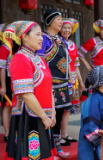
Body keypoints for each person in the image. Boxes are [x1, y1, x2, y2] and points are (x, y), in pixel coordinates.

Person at [3, 21, 57, 160]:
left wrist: (53, 113)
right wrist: (45, 117)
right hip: (28, 117)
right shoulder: (20, 58)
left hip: (44, 116)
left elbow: (49, 88)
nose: (41, 38)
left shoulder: (39, 59)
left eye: (42, 35)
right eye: (38, 35)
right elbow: (26, 94)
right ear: (25, 37)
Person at [37, 9, 72, 158]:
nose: (61, 22)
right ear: (50, 21)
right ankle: (49, 150)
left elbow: (66, 62)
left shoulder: (60, 40)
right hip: (50, 85)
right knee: (49, 117)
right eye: (59, 19)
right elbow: (39, 62)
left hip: (62, 85)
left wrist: (70, 81)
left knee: (57, 119)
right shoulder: (44, 39)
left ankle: (57, 149)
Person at [59, 18, 85, 146]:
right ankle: (58, 136)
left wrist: (80, 82)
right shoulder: (57, 42)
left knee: (68, 108)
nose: (67, 30)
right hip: (61, 78)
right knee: (61, 107)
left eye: (69, 28)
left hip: (73, 79)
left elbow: (76, 64)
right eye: (64, 27)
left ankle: (64, 134)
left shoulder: (73, 45)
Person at [0, 23, 12, 142]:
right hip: (8, 80)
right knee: (7, 107)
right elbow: (2, 68)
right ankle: (8, 133)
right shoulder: (5, 48)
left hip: (17, 80)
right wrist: (3, 86)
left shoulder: (17, 46)